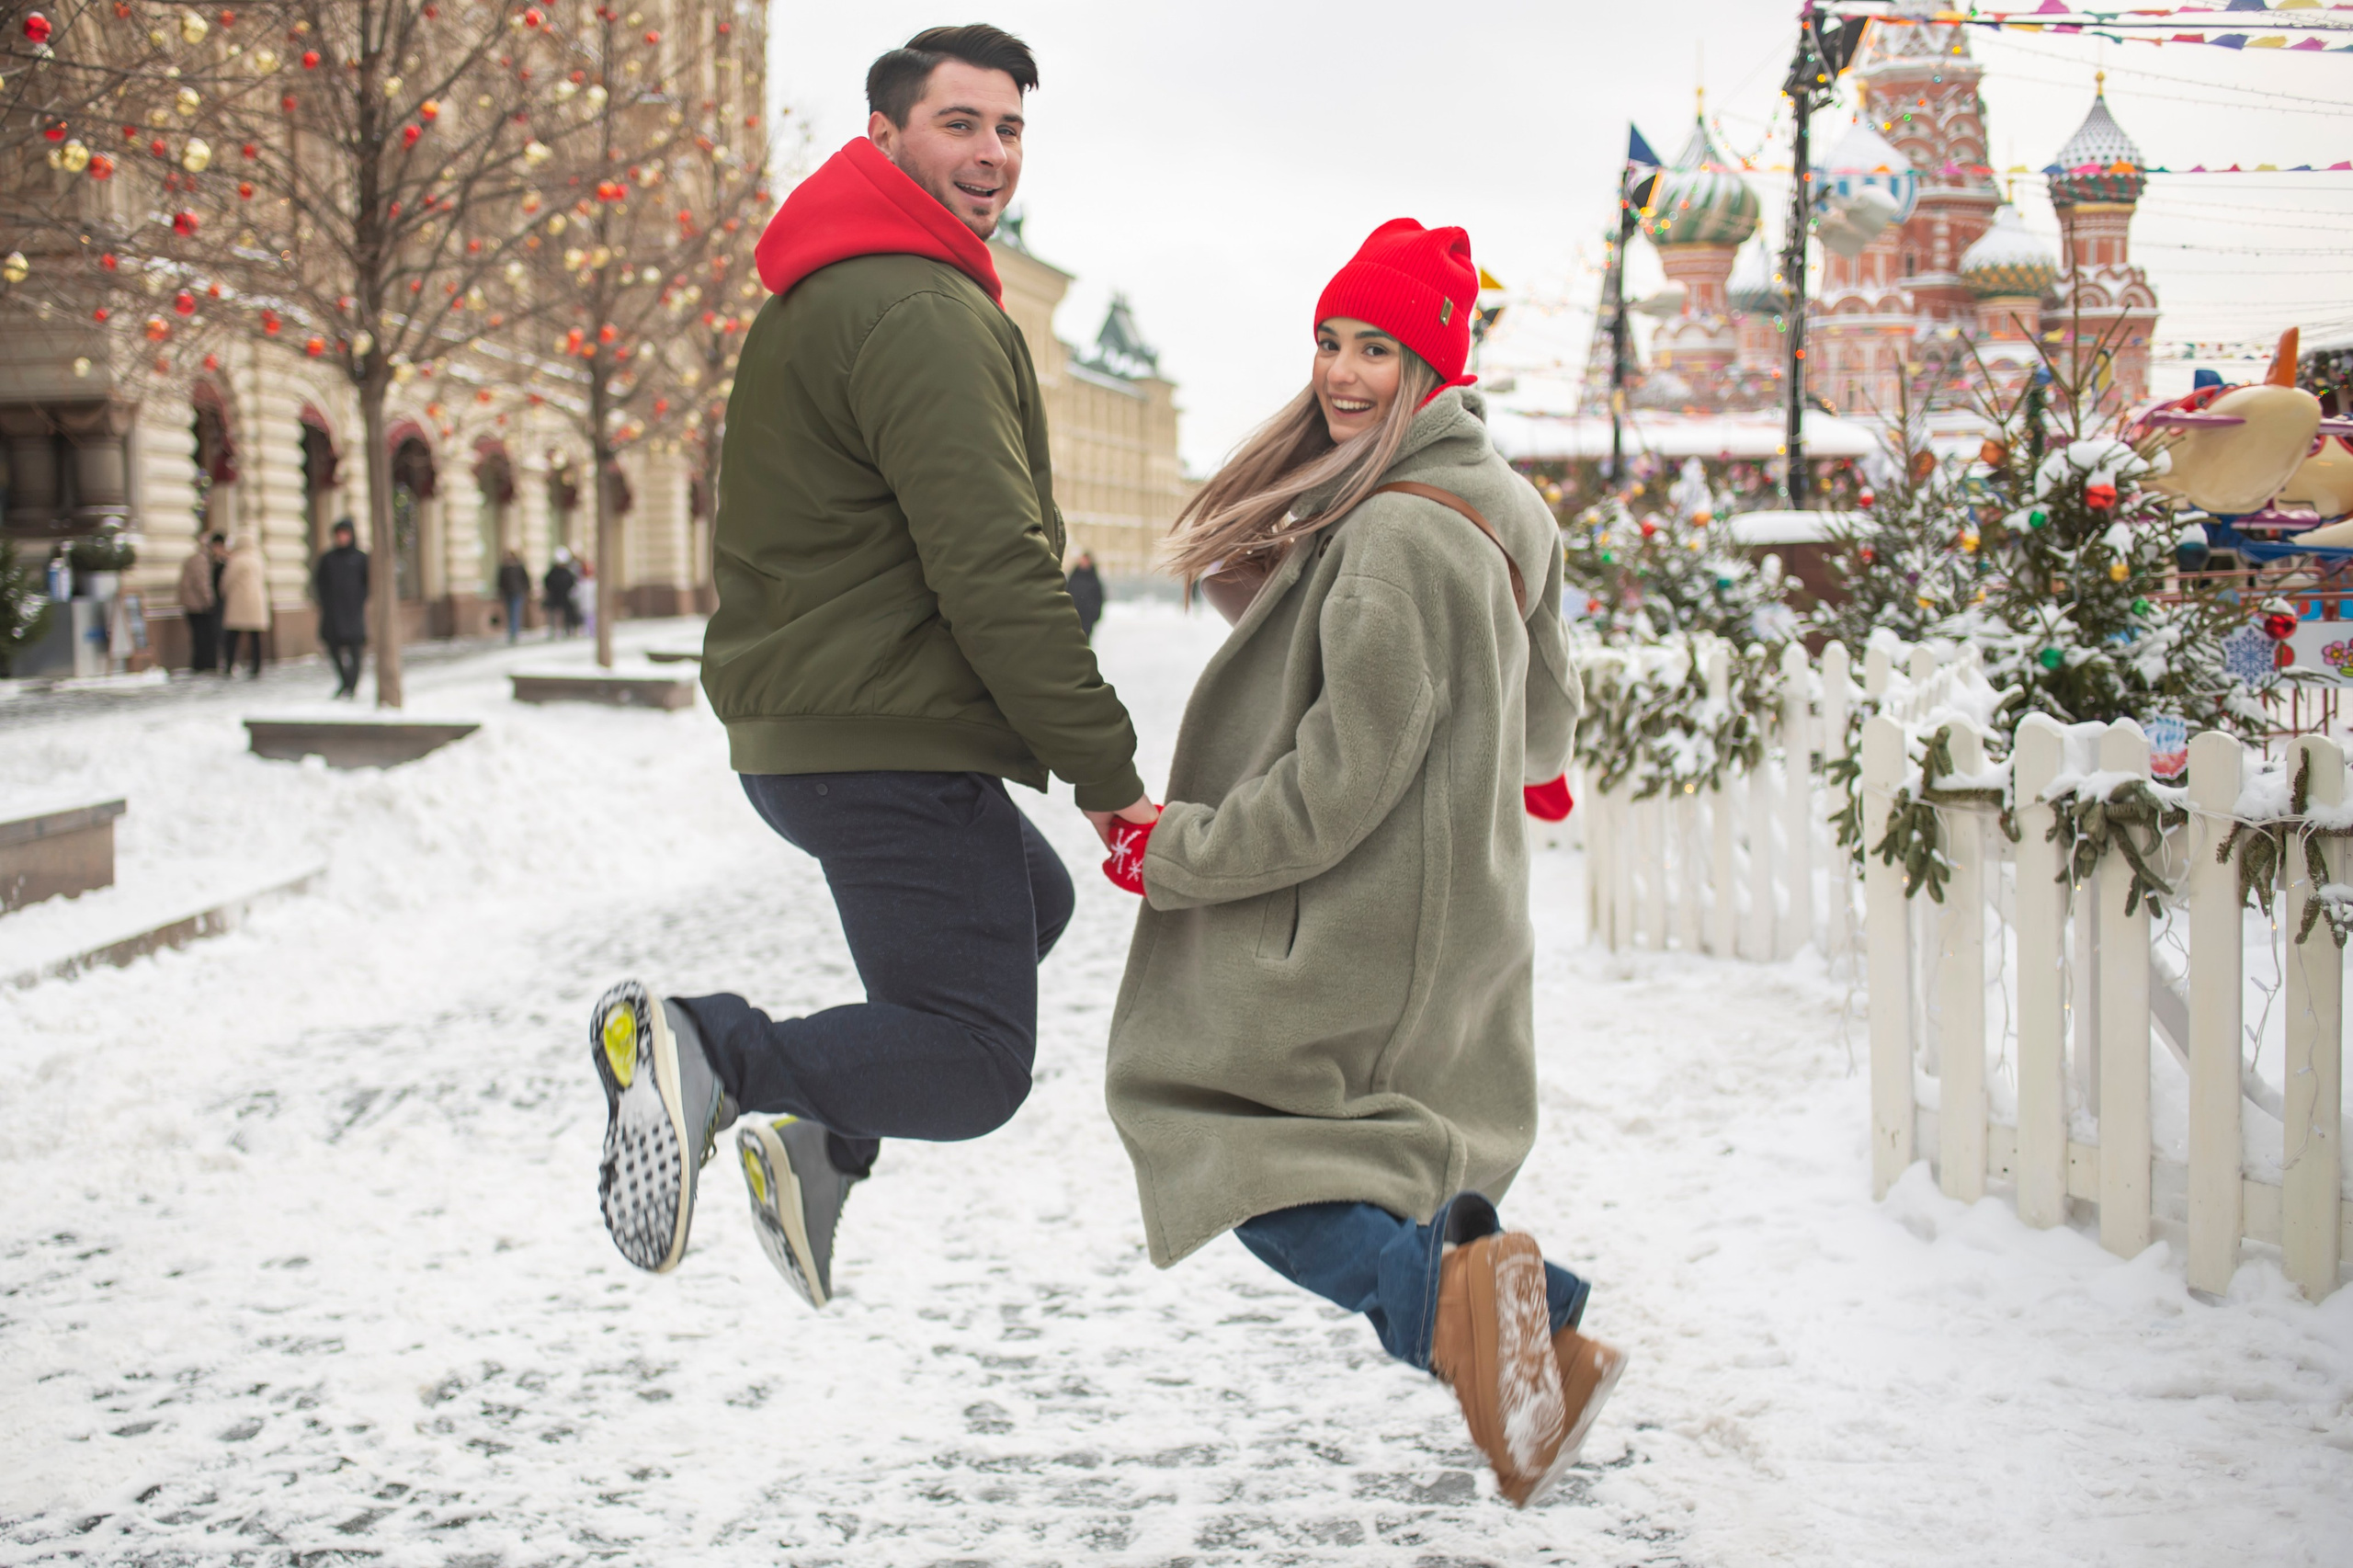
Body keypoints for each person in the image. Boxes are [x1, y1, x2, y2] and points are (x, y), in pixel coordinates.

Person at [587, 24, 1154, 1313]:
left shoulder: (839, 288)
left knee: (1032, 906)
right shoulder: (916, 306)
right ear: (887, 132)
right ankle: (708, 1050)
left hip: (825, 729)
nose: (991, 154)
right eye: (960, 124)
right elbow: (997, 567)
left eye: (1009, 128)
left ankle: (819, 1134)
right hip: (883, 740)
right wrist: (1106, 771)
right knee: (978, 1059)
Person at [1098, 220, 1617, 1508]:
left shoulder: (1393, 533)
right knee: (1384, 1159)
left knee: (1238, 1149)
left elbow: (1339, 779)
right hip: (1461, 911)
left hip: (1359, 920)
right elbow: (1545, 722)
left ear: (1432, 366)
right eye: (1330, 341)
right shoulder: (1502, 505)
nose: (1341, 371)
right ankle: (1512, 1344)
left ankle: (1494, 1312)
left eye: (1377, 349)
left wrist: (1182, 852)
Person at [313, 519, 369, 699]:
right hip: (332, 612)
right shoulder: (328, 558)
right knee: (333, 647)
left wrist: (359, 600)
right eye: (339, 534)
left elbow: (367, 583)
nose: (342, 537)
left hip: (353, 611)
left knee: (355, 650)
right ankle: (345, 682)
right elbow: (319, 582)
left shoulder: (361, 558)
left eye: (345, 533)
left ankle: (351, 685)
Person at [218, 534, 269, 678]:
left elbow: (227, 581)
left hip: (238, 603)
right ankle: (257, 666)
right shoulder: (259, 559)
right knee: (255, 637)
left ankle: (229, 665)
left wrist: (223, 593)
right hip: (257, 603)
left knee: (232, 635)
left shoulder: (237, 560)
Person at [177, 533, 221, 673]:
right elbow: (202, 583)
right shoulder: (201, 559)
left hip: (193, 603)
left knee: (199, 635)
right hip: (197, 605)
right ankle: (203, 664)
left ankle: (202, 664)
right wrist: (210, 601)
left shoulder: (197, 558)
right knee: (203, 635)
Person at [1064, 550, 1104, 642]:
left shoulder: (1093, 579)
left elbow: (1099, 598)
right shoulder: (1074, 577)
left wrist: (1094, 614)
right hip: (1073, 616)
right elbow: (1067, 593)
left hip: (1087, 618)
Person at [495, 550, 531, 644]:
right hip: (507, 594)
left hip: (517, 593)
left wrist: (526, 590)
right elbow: (500, 581)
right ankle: (511, 632)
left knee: (515, 613)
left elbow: (525, 579)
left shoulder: (519, 567)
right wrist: (500, 592)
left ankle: (514, 633)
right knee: (509, 613)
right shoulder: (504, 568)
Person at [542, 548, 578, 639]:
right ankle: (556, 630)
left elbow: (572, 583)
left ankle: (567, 629)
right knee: (556, 614)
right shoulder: (556, 573)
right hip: (556, 596)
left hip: (564, 597)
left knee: (565, 613)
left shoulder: (565, 573)